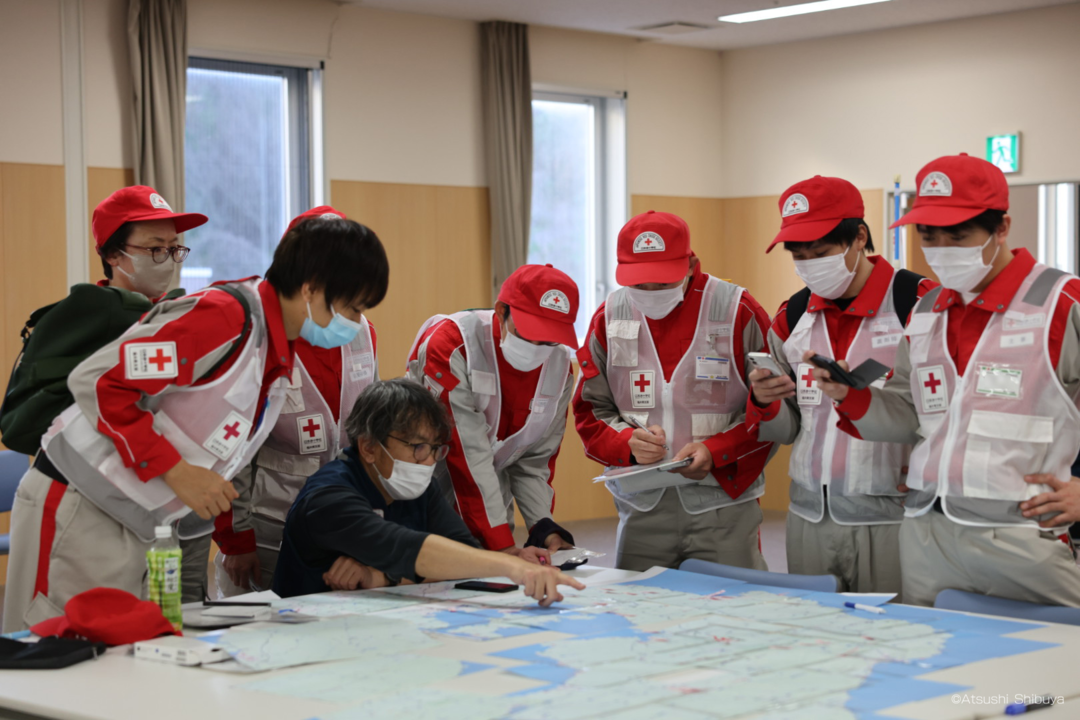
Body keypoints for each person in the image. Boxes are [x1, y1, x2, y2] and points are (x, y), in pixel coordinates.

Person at [2, 216, 389, 632]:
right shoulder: (223, 318)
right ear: (312, 286)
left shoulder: (272, 347)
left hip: (138, 518)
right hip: (79, 502)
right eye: (352, 306)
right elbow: (97, 381)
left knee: (110, 658)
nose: (354, 322)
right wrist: (178, 471)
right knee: (54, 650)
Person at [815, 153, 1080, 606]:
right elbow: (909, 414)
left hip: (1023, 533)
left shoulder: (1060, 302)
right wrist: (850, 397)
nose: (941, 249)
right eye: (928, 235)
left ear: (1001, 228)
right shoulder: (925, 312)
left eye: (958, 235)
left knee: (1054, 666)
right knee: (937, 657)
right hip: (925, 532)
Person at [746, 176, 935, 593]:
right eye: (799, 254)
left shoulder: (918, 302)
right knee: (816, 640)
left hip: (893, 518)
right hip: (809, 517)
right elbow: (791, 426)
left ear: (858, 237)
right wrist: (766, 401)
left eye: (821, 251)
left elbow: (949, 410)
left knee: (896, 640)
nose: (809, 263)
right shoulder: (794, 315)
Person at [573, 210, 775, 571]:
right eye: (640, 285)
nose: (650, 294)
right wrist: (626, 444)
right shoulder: (609, 316)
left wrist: (718, 450)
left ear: (691, 264)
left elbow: (772, 411)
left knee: (733, 615)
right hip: (641, 508)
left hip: (723, 505)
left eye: (663, 283)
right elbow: (590, 410)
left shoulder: (736, 310)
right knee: (641, 614)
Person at [274, 379, 585, 606]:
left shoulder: (417, 485)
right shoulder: (328, 497)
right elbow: (407, 548)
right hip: (305, 627)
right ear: (369, 446)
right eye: (417, 447)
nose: (427, 461)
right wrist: (512, 567)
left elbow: (462, 560)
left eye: (435, 449)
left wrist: (380, 577)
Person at [212, 207, 380, 597]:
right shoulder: (258, 336)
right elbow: (228, 452)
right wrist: (236, 540)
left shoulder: (362, 332)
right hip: (267, 525)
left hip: (343, 521)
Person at [0, 185, 198, 455]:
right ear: (112, 254)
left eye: (173, 247)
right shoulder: (90, 317)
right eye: (154, 248)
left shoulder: (171, 310)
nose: (167, 259)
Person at [405, 265, 579, 561]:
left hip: (491, 496)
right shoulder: (453, 344)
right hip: (423, 487)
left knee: (496, 595)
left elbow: (533, 461)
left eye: (549, 339)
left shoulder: (560, 369)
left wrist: (543, 525)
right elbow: (465, 450)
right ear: (501, 311)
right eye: (528, 334)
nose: (537, 349)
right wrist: (501, 546)